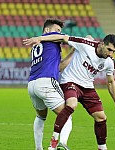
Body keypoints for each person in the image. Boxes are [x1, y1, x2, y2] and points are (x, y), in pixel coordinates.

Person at [23, 33, 115, 150]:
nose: (110, 54)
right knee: (72, 104)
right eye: (109, 49)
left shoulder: (109, 61)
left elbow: (110, 82)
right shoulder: (86, 44)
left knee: (101, 117)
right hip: (70, 81)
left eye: (113, 51)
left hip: (87, 87)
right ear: (102, 44)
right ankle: (54, 141)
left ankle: (102, 147)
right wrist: (40, 38)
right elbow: (62, 37)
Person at [26, 18, 74, 150]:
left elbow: (59, 67)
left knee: (40, 117)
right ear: (47, 30)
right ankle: (61, 144)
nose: (60, 33)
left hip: (32, 84)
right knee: (67, 114)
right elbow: (65, 38)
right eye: (57, 30)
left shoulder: (39, 45)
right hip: (46, 82)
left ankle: (38, 148)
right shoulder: (47, 38)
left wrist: (73, 51)